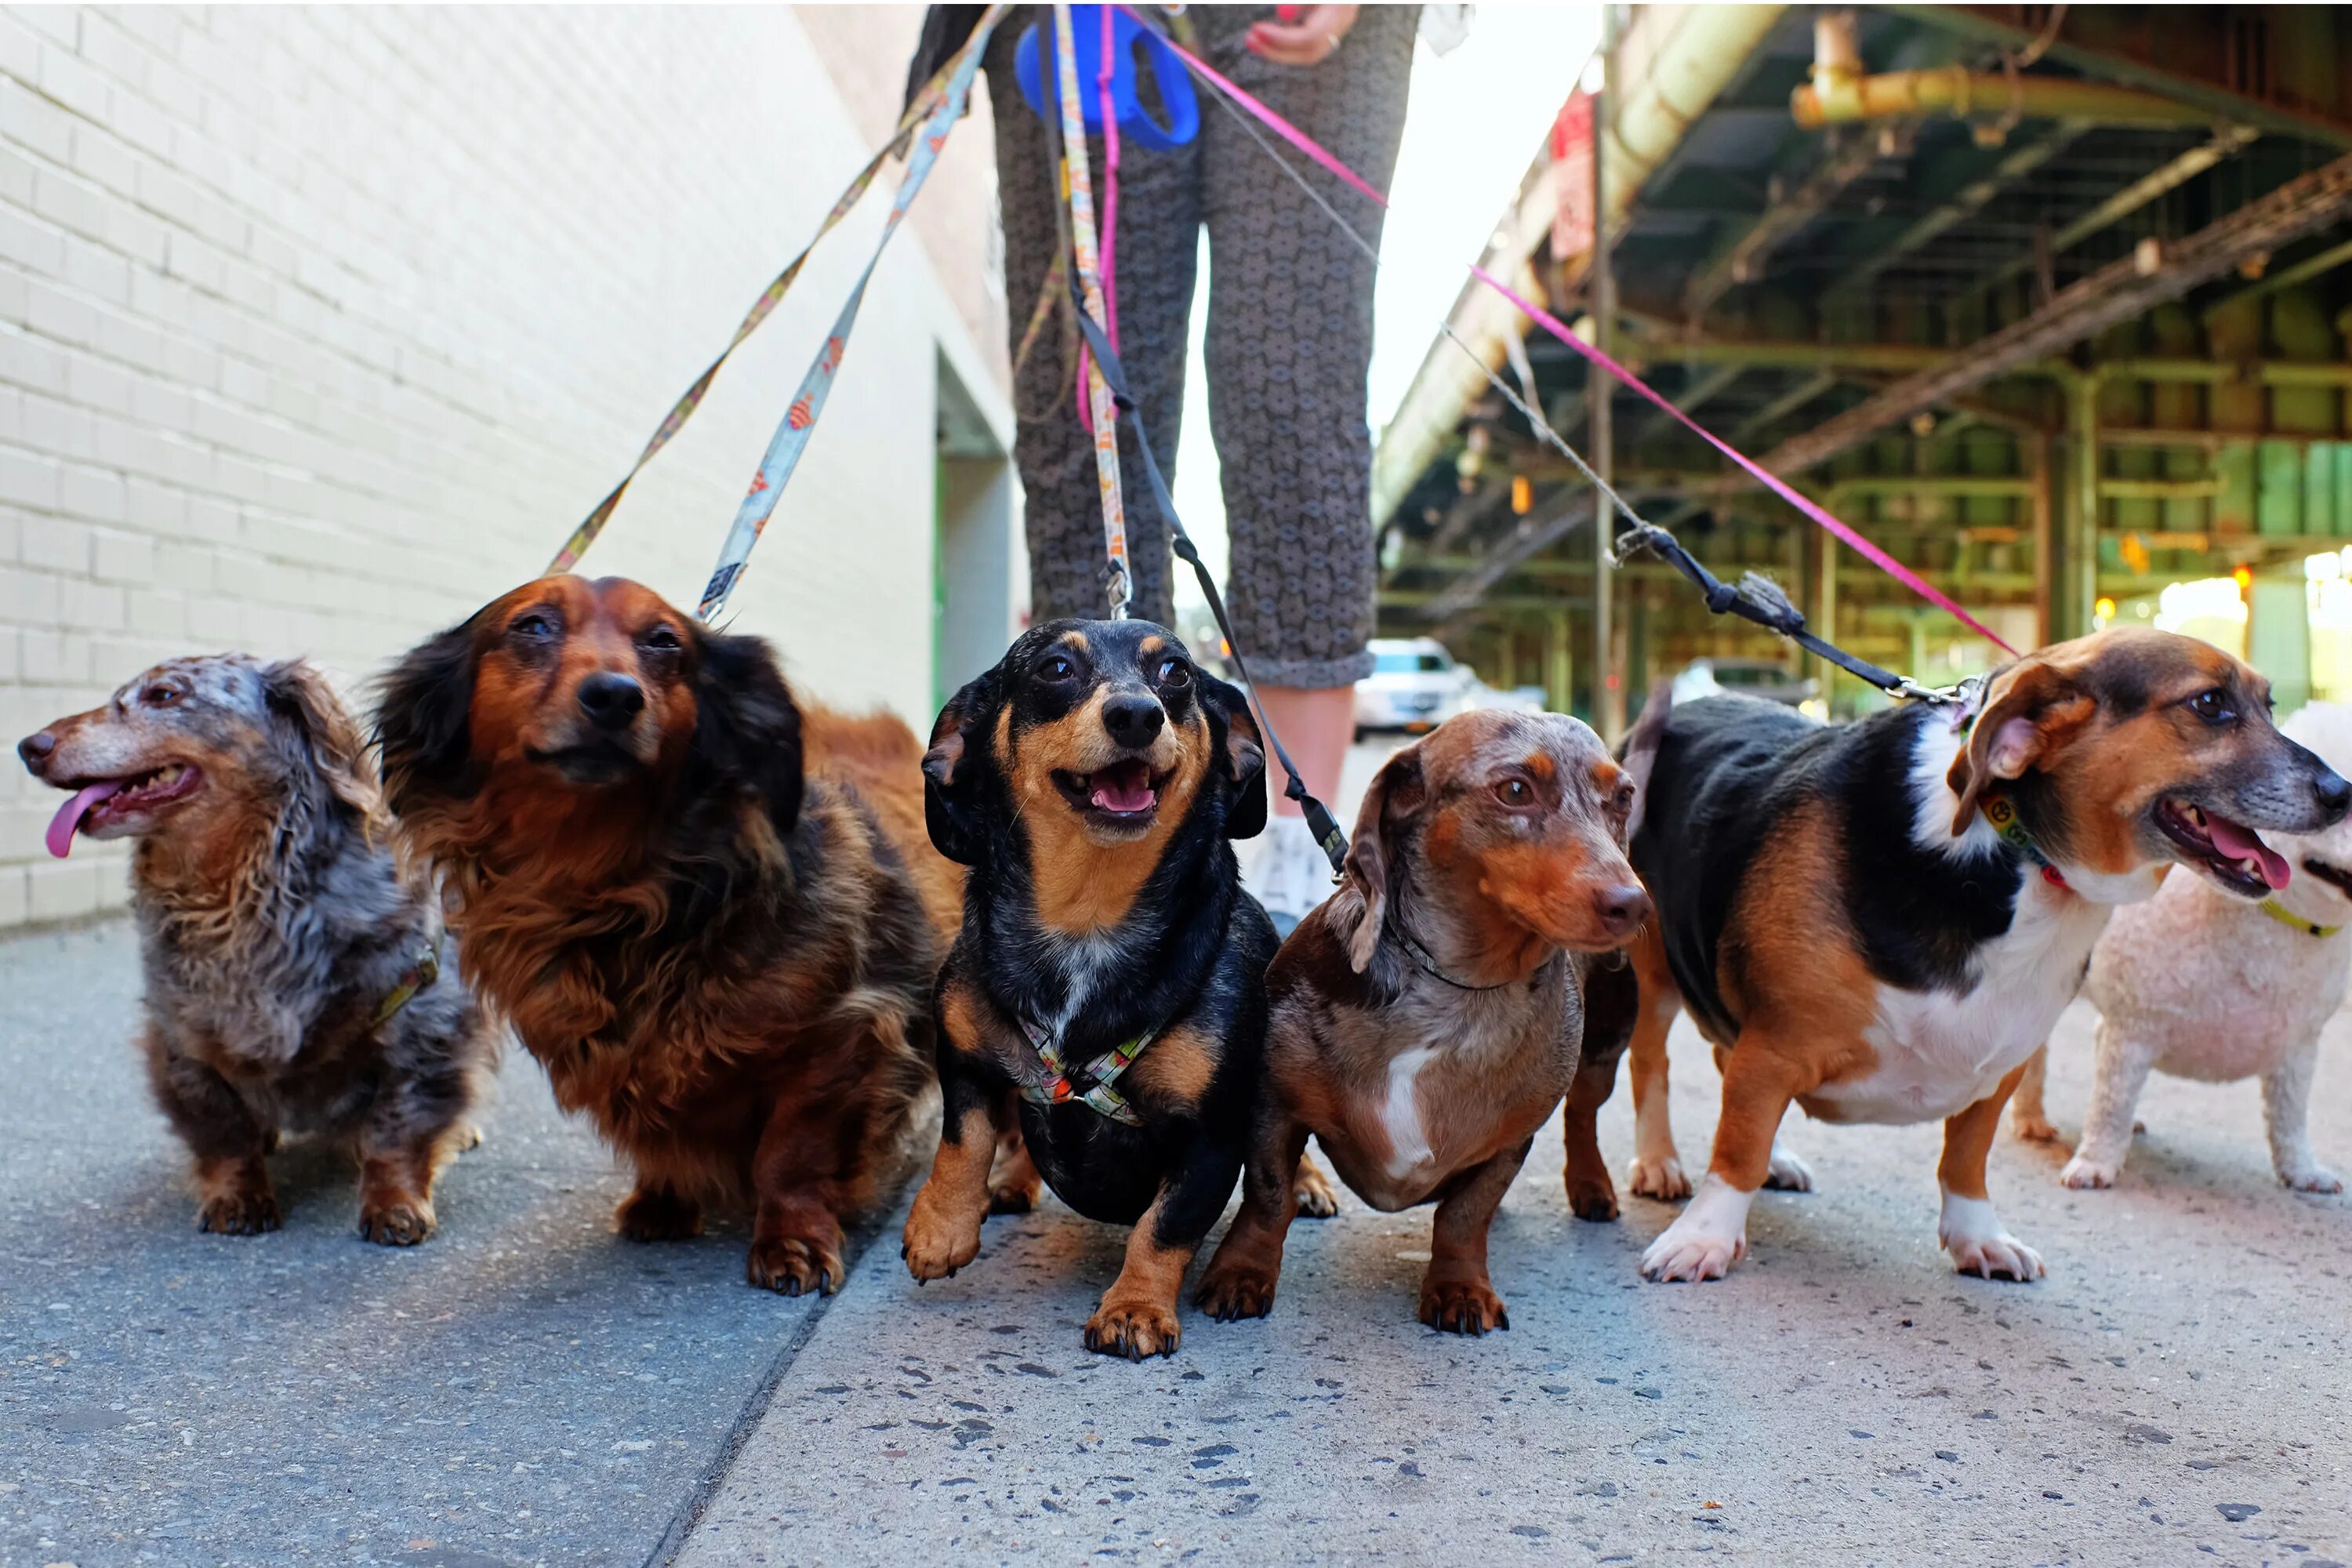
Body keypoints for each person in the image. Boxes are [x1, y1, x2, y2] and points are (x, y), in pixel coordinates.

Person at [907, 4, 1418, 933]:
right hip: (1079, 23)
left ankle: (1301, 864)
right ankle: (1096, 859)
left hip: (1303, 31)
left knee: (1290, 394)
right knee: (1083, 401)